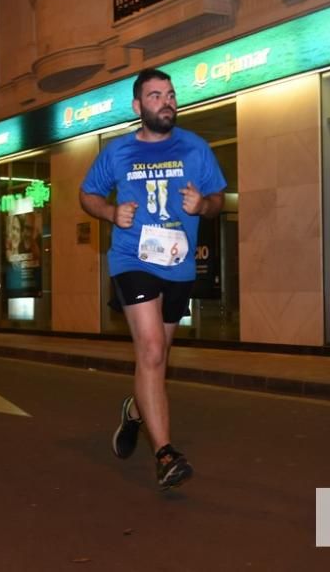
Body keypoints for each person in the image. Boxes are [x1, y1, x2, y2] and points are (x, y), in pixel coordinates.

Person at [79, 68, 226, 490]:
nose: (166, 101)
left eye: (171, 94)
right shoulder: (118, 153)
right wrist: (109, 213)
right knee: (152, 350)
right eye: (156, 95)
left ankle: (134, 411)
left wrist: (204, 205)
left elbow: (218, 200)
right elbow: (86, 194)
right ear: (138, 106)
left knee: (156, 360)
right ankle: (164, 454)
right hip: (132, 259)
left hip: (178, 265)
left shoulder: (196, 149)